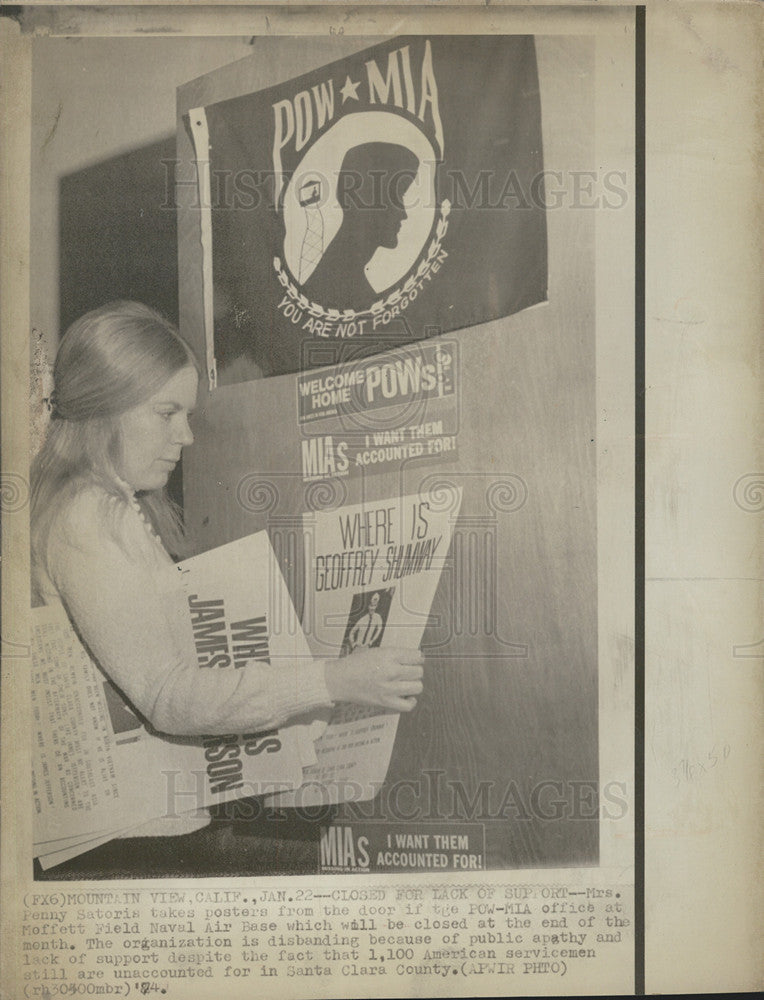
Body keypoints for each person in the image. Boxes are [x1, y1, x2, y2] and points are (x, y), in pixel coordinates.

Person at [31, 301, 423, 787]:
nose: (187, 436)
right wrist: (332, 680)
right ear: (105, 405)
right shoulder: (89, 513)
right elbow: (169, 697)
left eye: (186, 414)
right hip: (131, 829)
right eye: (166, 413)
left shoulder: (112, 502)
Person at [301, 141, 420, 311]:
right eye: (398, 196)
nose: (404, 214)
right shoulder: (338, 291)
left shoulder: (351, 288)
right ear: (366, 201)